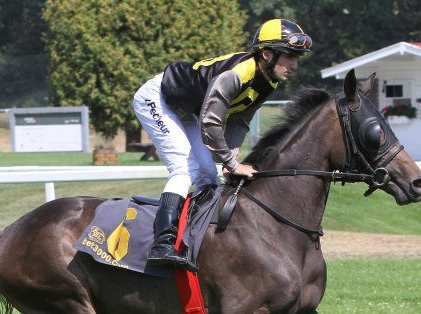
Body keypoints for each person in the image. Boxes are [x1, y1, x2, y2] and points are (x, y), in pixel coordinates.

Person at [133, 18, 313, 269]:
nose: (294, 65)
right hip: (158, 99)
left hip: (187, 110)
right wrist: (230, 162)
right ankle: (162, 243)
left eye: (297, 58)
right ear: (267, 53)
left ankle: (195, 237)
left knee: (209, 174)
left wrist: (232, 160)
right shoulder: (238, 73)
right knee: (185, 170)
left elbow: (239, 120)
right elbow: (210, 121)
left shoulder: (267, 81)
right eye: (289, 57)